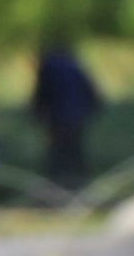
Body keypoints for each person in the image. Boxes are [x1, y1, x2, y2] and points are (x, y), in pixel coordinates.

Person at [32, 39, 105, 191]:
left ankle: (57, 186)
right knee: (75, 150)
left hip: (58, 116)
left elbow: (42, 93)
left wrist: (37, 113)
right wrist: (93, 110)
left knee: (58, 152)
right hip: (78, 115)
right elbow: (91, 91)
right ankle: (81, 185)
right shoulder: (76, 65)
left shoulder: (48, 67)